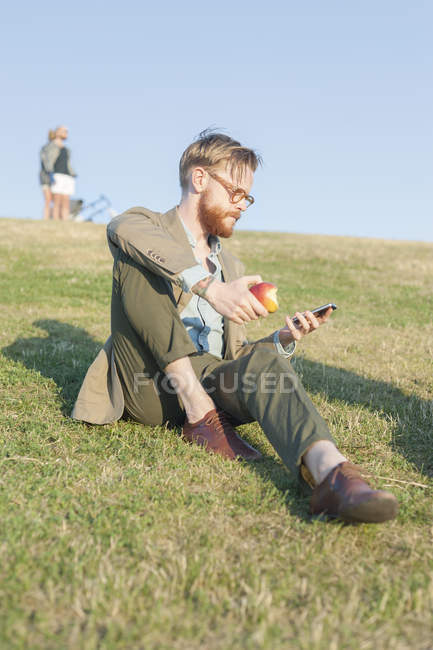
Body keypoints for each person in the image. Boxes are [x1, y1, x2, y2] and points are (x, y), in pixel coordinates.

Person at [72, 130, 398, 524]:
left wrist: (282, 339)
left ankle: (334, 477)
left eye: (248, 197)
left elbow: (236, 358)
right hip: (150, 385)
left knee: (264, 365)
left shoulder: (232, 268)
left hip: (211, 381)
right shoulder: (143, 225)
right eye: (235, 193)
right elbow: (121, 231)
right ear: (199, 179)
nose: (242, 205)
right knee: (136, 265)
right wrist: (209, 289)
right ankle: (199, 415)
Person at [42, 125, 76, 221]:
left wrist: (73, 174)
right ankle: (56, 220)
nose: (66, 133)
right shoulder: (51, 146)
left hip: (67, 175)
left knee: (66, 200)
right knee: (57, 200)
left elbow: (68, 163)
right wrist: (50, 174)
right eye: (64, 131)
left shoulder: (66, 149)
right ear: (57, 132)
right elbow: (47, 161)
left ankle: (65, 220)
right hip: (57, 174)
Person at [39, 129, 56, 220]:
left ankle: (48, 217)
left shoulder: (44, 148)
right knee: (49, 199)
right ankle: (47, 217)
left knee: (49, 200)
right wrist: (51, 175)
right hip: (47, 175)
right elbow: (48, 163)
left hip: (45, 175)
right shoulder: (51, 147)